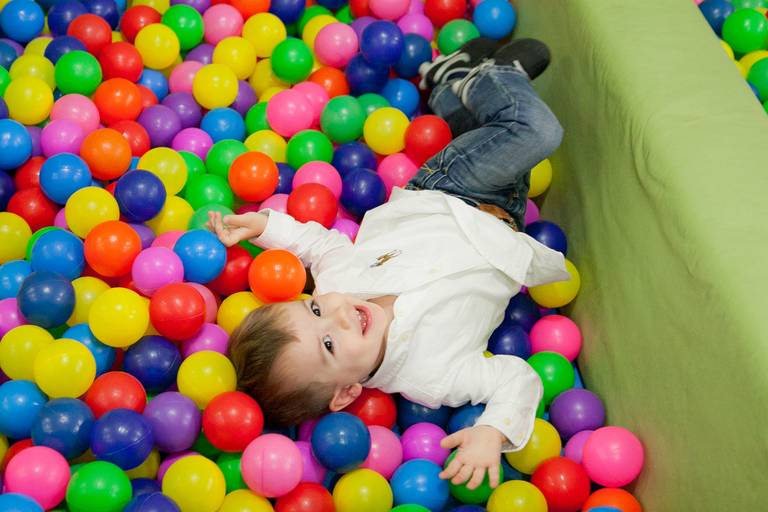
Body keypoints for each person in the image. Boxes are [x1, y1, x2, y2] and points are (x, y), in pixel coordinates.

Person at [208, 37, 568, 491]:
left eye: (315, 309)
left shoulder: (339, 282)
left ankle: (491, 75)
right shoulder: (432, 378)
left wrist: (264, 226)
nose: (337, 316)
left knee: (535, 134)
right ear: (346, 392)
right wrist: (493, 431)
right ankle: (449, 83)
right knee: (507, 142)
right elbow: (515, 376)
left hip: (449, 190)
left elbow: (319, 246)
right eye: (329, 346)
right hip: (506, 220)